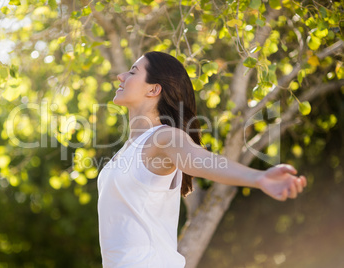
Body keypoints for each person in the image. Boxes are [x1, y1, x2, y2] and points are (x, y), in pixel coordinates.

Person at [97, 51, 307, 267]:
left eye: (132, 72)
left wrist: (258, 177)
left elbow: (199, 158)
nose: (121, 76)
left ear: (154, 89)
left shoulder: (164, 137)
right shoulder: (129, 147)